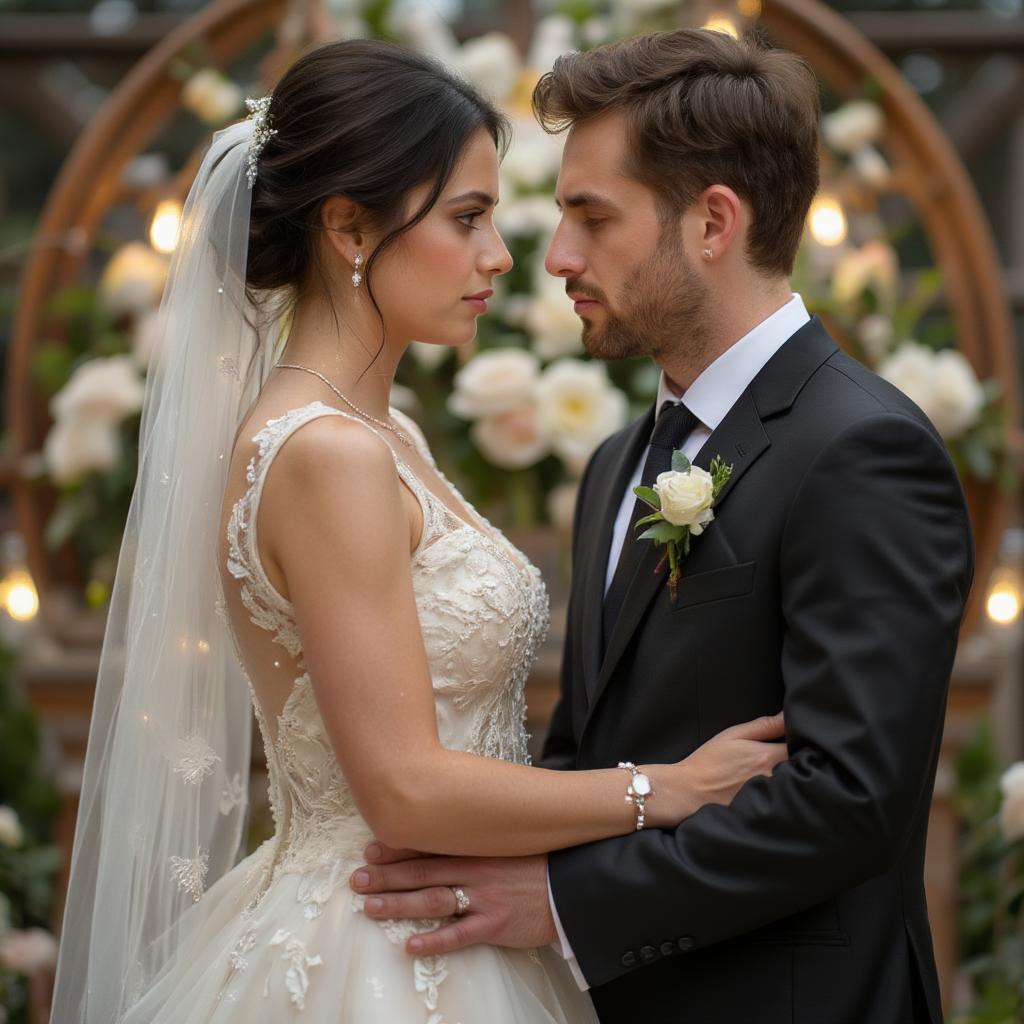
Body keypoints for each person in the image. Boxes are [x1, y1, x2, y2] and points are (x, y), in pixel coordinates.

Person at [50, 38, 788, 1024]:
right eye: (467, 219)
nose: (500, 255)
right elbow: (399, 786)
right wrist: (669, 789)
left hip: (451, 918)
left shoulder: (383, 433)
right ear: (350, 229)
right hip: (380, 953)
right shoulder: (327, 455)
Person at [351, 28, 975, 1024]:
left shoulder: (861, 450)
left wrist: (559, 900)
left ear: (712, 223)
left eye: (591, 218)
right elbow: (595, 744)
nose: (556, 257)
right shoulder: (615, 464)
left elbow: (847, 800)